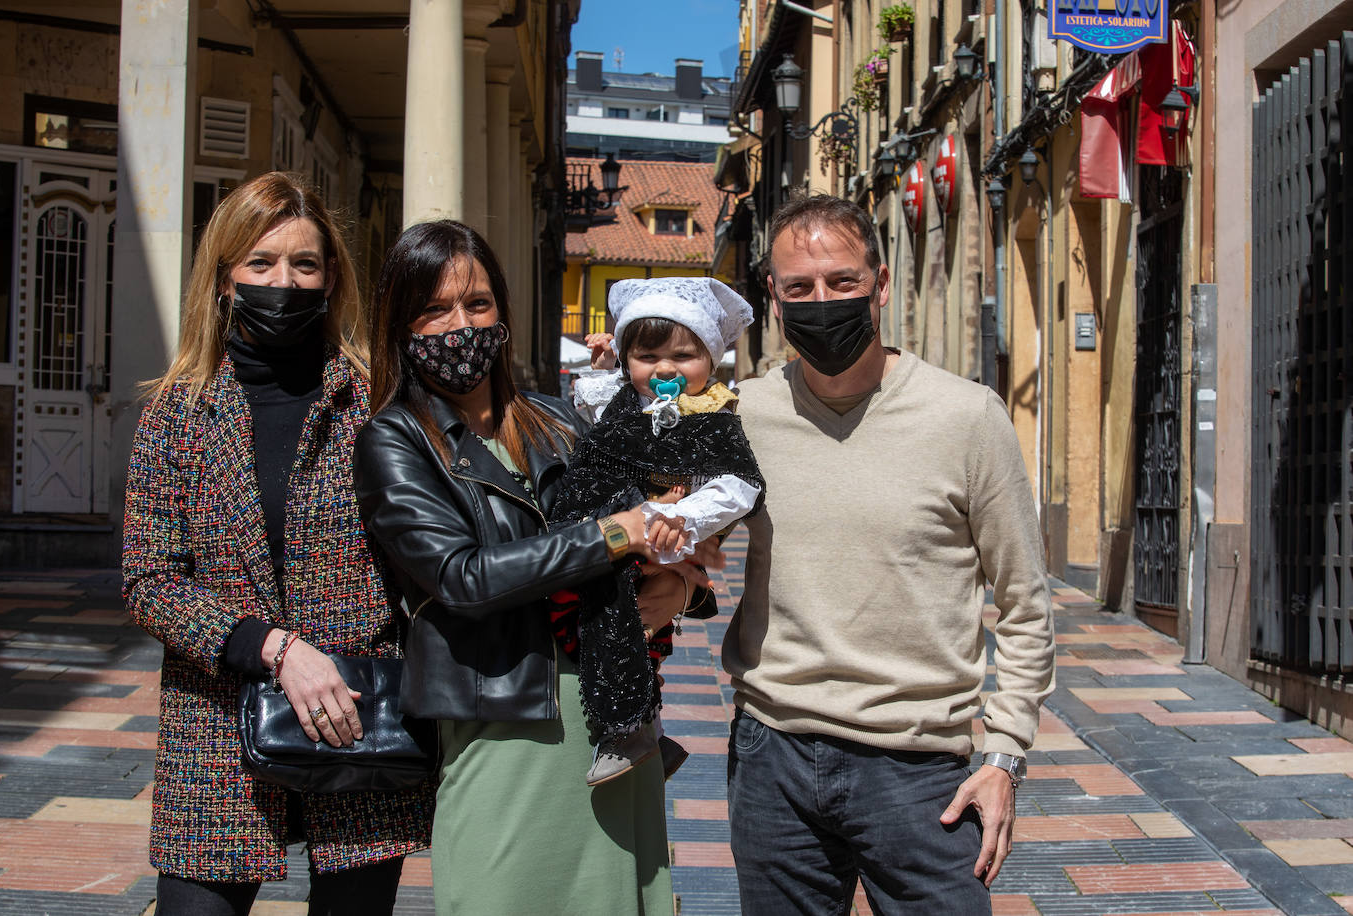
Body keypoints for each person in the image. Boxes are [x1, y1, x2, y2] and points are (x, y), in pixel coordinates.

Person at [353, 220, 719, 916]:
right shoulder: (393, 440)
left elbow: (661, 531)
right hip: (506, 736)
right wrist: (617, 533)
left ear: (504, 313)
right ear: (400, 325)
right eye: (434, 309)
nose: (460, 326)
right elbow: (464, 577)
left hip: (614, 730)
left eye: (478, 303)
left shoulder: (559, 421)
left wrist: (680, 592)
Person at [723, 194, 1055, 915]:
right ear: (772, 298)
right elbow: (679, 545)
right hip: (772, 756)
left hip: (920, 770)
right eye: (799, 288)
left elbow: (1026, 603)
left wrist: (1005, 755)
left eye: (842, 282)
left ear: (881, 284)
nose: (821, 302)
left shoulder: (966, 417)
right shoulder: (742, 415)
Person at [122, 172, 433, 915]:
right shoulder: (177, 413)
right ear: (225, 277)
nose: (282, 282)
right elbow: (149, 580)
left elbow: (427, 555)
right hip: (216, 722)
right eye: (259, 264)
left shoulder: (377, 404)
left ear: (331, 279)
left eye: (304, 264)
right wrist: (276, 649)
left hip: (360, 714)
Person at [553, 277, 764, 786]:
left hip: (650, 545)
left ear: (711, 361)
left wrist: (683, 517)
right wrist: (607, 365)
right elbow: (595, 401)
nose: (665, 369)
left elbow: (737, 486)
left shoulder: (712, 420)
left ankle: (630, 731)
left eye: (683, 356)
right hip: (595, 534)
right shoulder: (627, 401)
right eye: (647, 356)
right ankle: (647, 730)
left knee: (623, 631)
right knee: (592, 630)